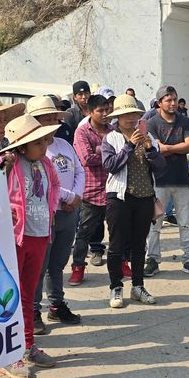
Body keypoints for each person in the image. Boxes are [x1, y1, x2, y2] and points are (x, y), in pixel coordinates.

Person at [0, 115, 61, 378]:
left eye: (44, 141)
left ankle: (28, 345)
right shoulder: (9, 164)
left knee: (28, 294)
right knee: (8, 296)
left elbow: (56, 188)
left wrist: (50, 213)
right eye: (37, 143)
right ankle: (7, 353)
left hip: (39, 234)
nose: (43, 146)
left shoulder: (45, 164)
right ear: (21, 147)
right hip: (15, 238)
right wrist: (1, 168)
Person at [101, 94, 164, 308]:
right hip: (119, 197)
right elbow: (110, 165)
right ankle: (115, 287)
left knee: (139, 245)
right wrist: (129, 146)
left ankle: (138, 286)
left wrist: (149, 149)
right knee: (116, 245)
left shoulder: (148, 137)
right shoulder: (111, 138)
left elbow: (161, 168)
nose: (130, 119)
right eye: (125, 115)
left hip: (145, 196)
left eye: (134, 114)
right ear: (117, 117)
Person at [26, 96, 84, 325]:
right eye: (46, 119)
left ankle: (56, 304)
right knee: (39, 265)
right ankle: (32, 310)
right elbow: (40, 182)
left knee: (58, 263)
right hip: (44, 214)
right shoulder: (30, 150)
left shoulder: (64, 145)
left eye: (54, 118)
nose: (53, 122)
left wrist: (77, 196)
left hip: (68, 213)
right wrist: (69, 196)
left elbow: (79, 170)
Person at [143, 85, 189, 278]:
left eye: (174, 99)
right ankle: (152, 259)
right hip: (158, 180)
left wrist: (168, 148)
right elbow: (155, 149)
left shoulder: (184, 121)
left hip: (182, 180)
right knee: (155, 224)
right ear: (159, 103)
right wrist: (178, 147)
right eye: (168, 100)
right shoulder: (151, 123)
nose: (173, 103)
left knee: (186, 222)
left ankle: (188, 259)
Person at [71, 94, 112, 284]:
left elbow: (122, 156)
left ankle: (121, 264)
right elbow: (86, 159)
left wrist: (99, 151)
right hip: (91, 191)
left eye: (107, 109)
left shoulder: (113, 130)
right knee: (84, 232)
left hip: (113, 190)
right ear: (89, 112)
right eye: (100, 111)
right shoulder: (82, 132)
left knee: (118, 232)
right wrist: (109, 153)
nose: (105, 114)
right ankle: (78, 267)